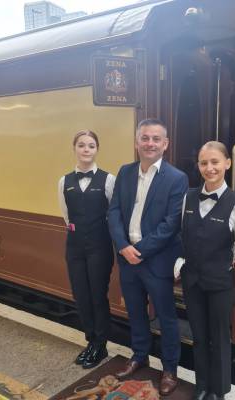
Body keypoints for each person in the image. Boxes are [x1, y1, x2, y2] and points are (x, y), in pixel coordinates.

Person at [108, 118, 188, 396]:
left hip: (156, 261)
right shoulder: (125, 172)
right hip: (127, 258)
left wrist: (139, 251)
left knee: (166, 317)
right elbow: (115, 211)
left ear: (165, 144)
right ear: (136, 142)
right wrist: (122, 246)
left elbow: (171, 224)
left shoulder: (177, 178)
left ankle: (169, 369)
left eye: (156, 139)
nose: (150, 143)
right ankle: (139, 355)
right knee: (136, 312)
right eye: (145, 138)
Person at [176, 141, 235, 400]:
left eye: (215, 162)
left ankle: (218, 391)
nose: (210, 168)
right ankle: (202, 386)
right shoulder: (188, 196)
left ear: (227, 163)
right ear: (198, 166)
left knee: (219, 338)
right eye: (204, 163)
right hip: (193, 280)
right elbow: (182, 233)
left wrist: (222, 261)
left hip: (219, 282)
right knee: (199, 336)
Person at [58, 130, 115, 369]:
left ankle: (101, 345)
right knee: (81, 296)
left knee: (97, 296)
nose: (86, 149)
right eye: (81, 145)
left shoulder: (108, 179)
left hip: (99, 247)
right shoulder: (64, 181)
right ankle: (90, 340)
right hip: (74, 247)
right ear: (75, 148)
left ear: (96, 149)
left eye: (91, 145)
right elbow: (66, 216)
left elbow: (113, 214)